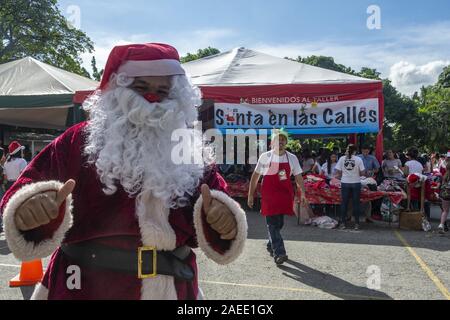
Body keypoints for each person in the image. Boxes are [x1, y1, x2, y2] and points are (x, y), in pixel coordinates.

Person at [0, 43, 247, 300]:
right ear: (117, 89)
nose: (152, 98)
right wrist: (29, 207)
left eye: (163, 90)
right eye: (141, 88)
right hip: (86, 287)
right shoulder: (78, 140)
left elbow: (215, 200)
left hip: (171, 289)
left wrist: (223, 217)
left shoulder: (191, 148)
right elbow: (24, 189)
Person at [247, 129, 306, 265]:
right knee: (272, 223)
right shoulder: (265, 157)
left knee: (279, 224)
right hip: (269, 195)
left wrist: (302, 193)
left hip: (285, 195)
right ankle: (279, 252)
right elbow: (255, 177)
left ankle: (270, 243)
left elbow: (298, 177)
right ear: (272, 143)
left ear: (286, 142)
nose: (280, 142)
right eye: (277, 140)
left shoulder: (292, 158)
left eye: (283, 139)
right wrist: (251, 195)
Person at [335, 144, 365, 230]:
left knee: (344, 203)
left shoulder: (341, 159)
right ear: (355, 151)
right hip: (356, 182)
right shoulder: (358, 159)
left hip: (345, 182)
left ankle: (343, 223)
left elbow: (338, 171)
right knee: (356, 203)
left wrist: (344, 174)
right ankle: (356, 224)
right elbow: (363, 173)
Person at [438, 161, 450, 234]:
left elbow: (442, 185)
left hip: (445, 194)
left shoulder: (445, 175)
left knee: (445, 211)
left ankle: (441, 225)